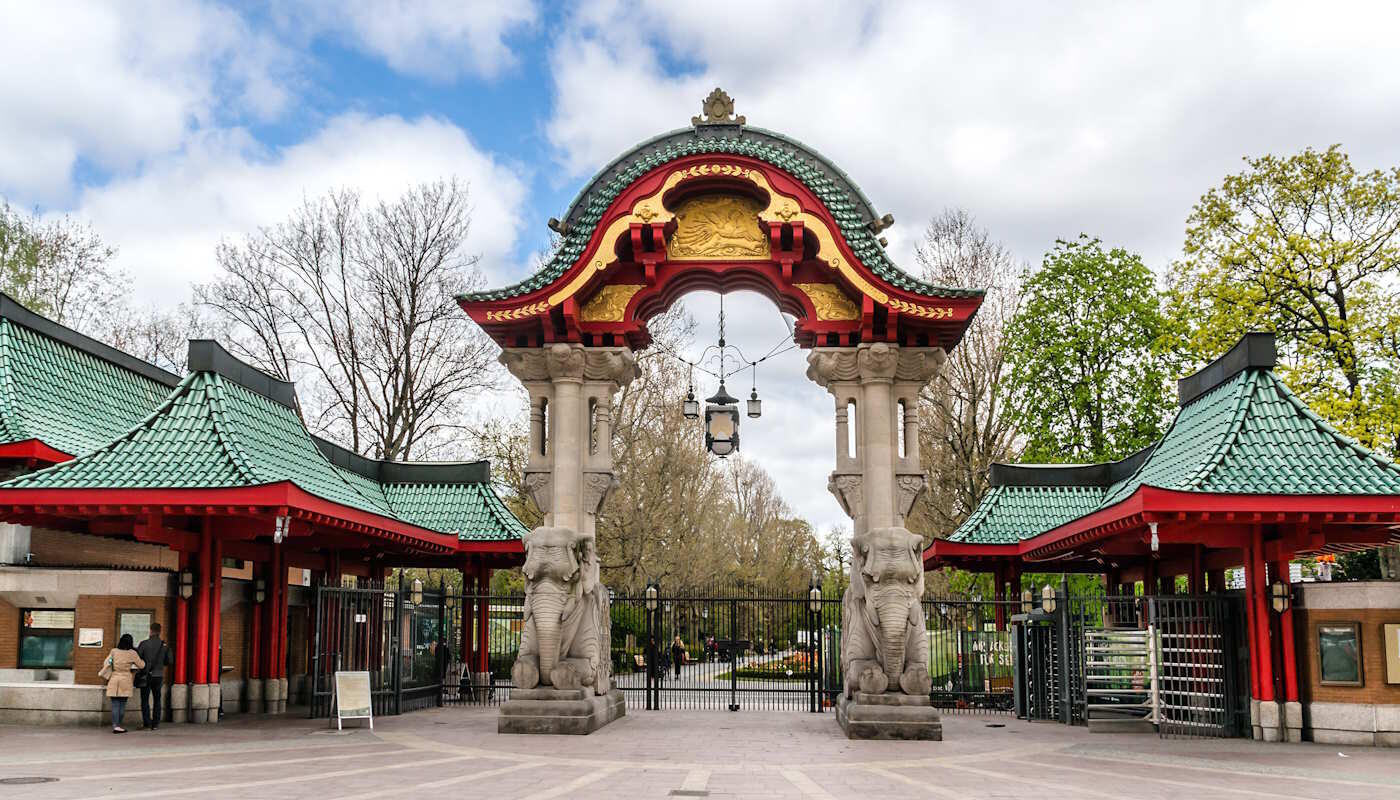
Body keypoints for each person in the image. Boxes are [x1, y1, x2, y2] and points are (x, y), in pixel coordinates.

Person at [101, 634, 145, 734]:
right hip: (126, 680)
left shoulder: (114, 651)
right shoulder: (132, 653)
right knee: (122, 704)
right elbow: (141, 665)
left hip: (114, 679)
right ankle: (119, 725)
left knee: (115, 704)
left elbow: (106, 663)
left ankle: (115, 725)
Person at [135, 623, 171, 730]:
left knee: (145, 699)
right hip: (158, 675)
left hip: (146, 675)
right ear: (160, 631)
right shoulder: (164, 645)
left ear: (150, 630)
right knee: (157, 699)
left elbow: (138, 658)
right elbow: (169, 661)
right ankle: (155, 723)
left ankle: (147, 723)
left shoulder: (144, 644)